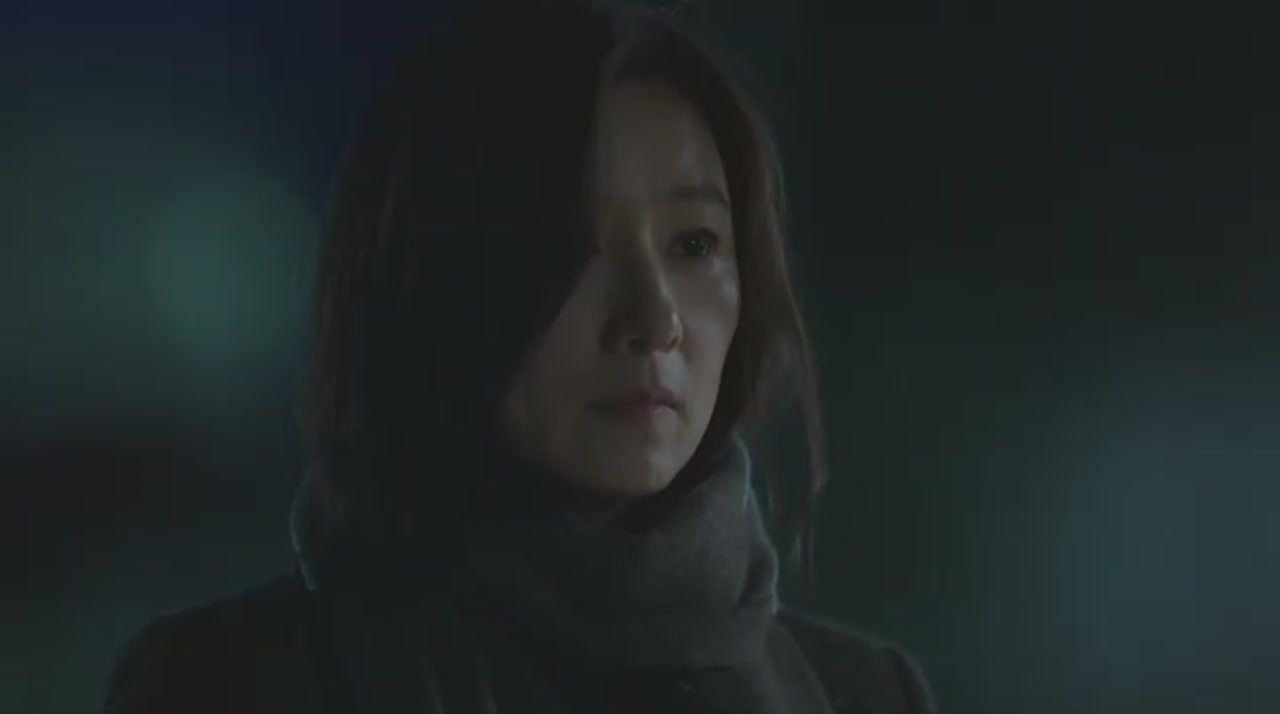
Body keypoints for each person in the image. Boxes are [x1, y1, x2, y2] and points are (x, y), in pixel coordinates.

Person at [102, 1, 936, 712]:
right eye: (575, 246)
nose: (653, 321)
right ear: (437, 274)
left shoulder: (861, 695)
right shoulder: (220, 682)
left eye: (693, 243)